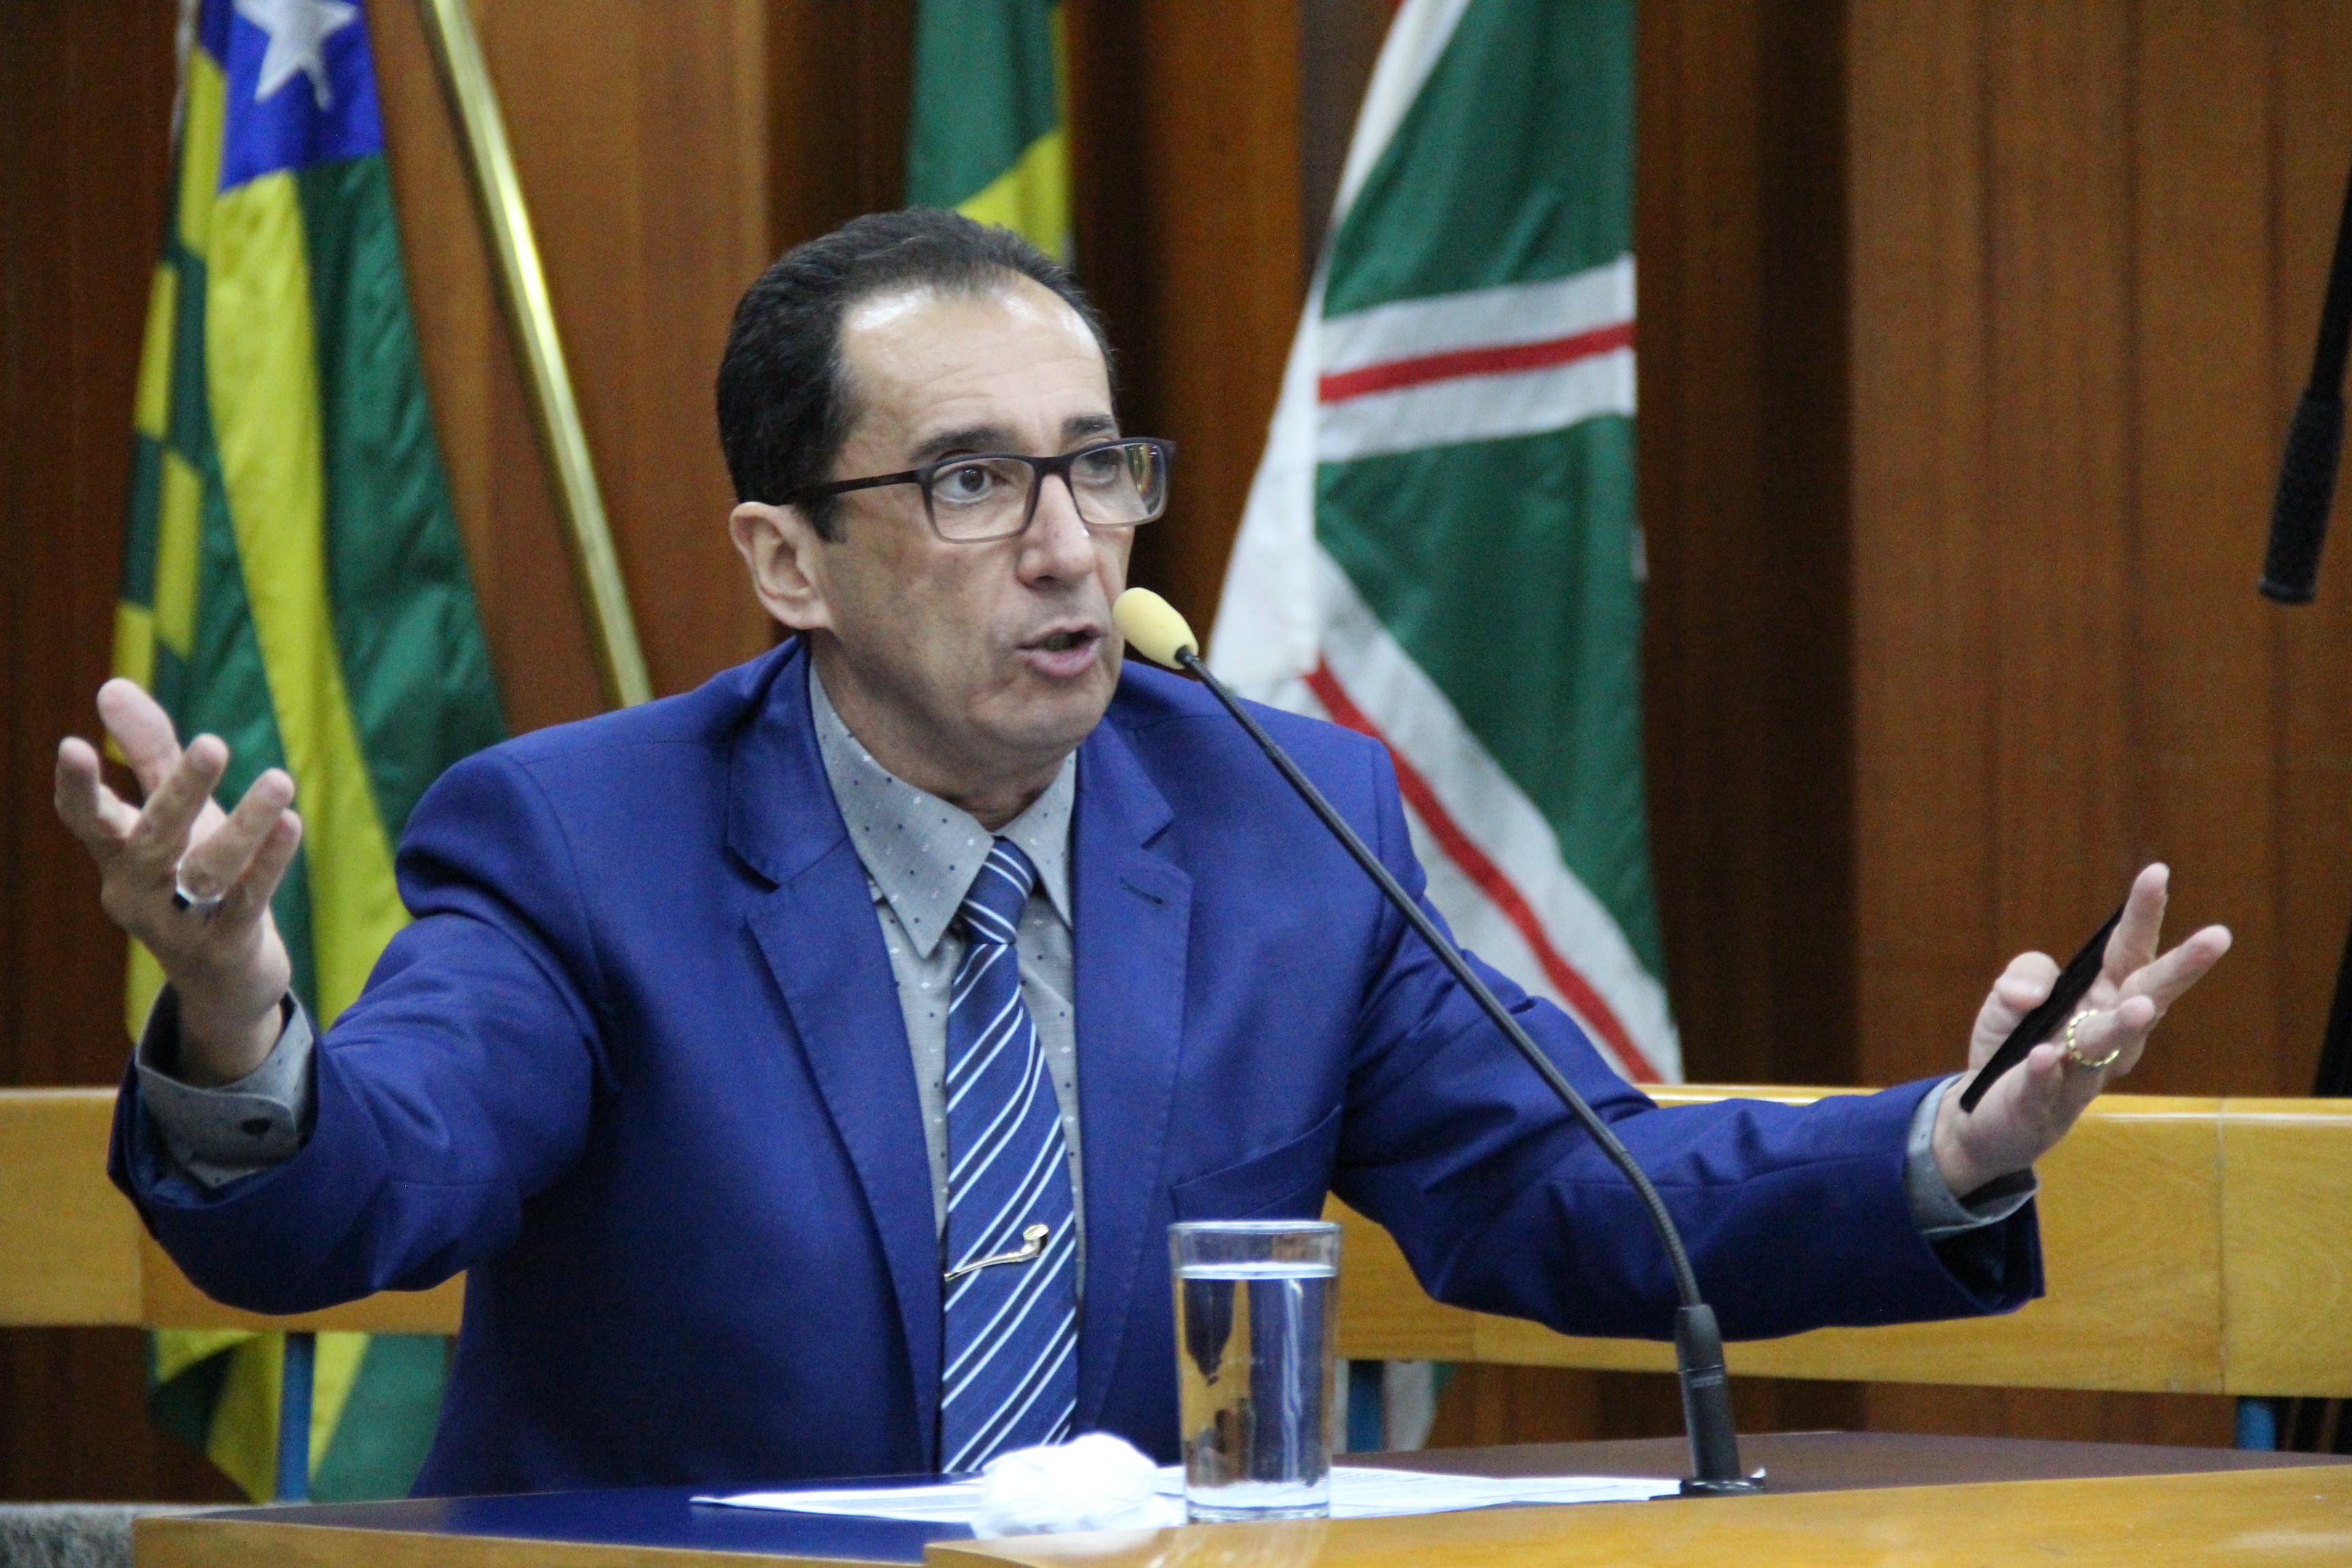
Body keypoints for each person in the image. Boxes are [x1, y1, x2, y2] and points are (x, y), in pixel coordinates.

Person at [54, 210, 2230, 1496]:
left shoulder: (1284, 818)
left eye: (1097, 468)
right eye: (973, 485)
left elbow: (1570, 1189)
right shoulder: (583, 840)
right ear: (787, 561)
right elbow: (369, 1191)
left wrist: (1947, 1148)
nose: (1070, 545)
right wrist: (235, 1011)